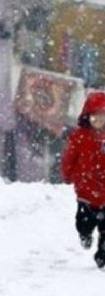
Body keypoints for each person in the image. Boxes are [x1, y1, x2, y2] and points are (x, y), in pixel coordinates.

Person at [61, 90, 105, 268]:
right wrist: (67, 175)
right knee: (84, 223)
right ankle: (85, 235)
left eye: (103, 117)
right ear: (88, 116)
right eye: (95, 116)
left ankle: (102, 256)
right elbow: (69, 158)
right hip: (86, 192)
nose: (99, 121)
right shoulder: (79, 137)